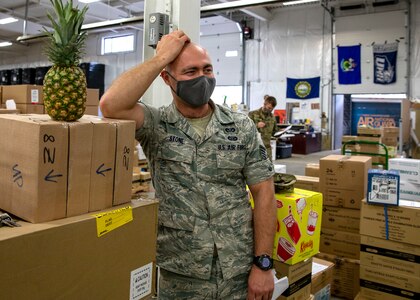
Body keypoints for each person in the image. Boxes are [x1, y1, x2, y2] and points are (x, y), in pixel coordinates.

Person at [100, 30, 277, 300]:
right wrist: (161, 58)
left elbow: (264, 193)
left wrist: (263, 264)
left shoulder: (241, 126)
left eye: (207, 69)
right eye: (190, 71)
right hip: (181, 273)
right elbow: (111, 105)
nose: (202, 78)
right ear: (167, 79)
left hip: (238, 267)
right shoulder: (156, 124)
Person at [248, 96, 278, 160]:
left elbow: (274, 131)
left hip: (267, 148)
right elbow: (245, 129)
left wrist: (281, 131)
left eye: (272, 109)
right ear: (264, 104)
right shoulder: (252, 114)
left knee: (268, 168)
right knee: (255, 168)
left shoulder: (272, 117)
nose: (270, 110)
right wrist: (256, 125)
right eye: (269, 108)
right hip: (254, 148)